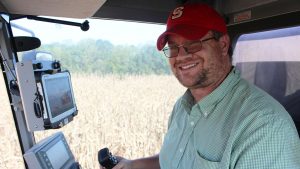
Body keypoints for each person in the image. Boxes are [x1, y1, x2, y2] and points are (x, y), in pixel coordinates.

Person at [100, 2, 300, 169]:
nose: (181, 56)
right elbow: (174, 161)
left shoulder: (263, 126)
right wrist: (133, 165)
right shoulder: (182, 107)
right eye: (173, 47)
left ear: (222, 45)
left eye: (193, 43)